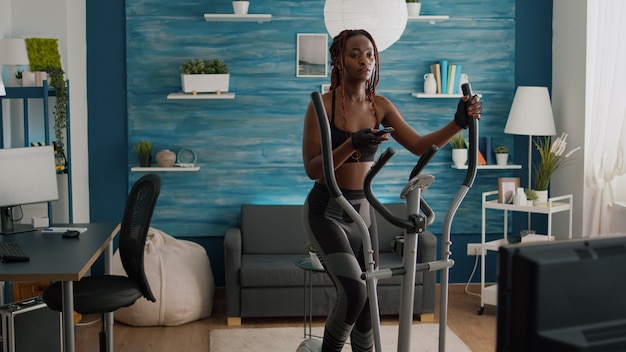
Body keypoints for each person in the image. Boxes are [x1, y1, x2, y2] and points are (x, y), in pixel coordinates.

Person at [301, 29, 481, 352]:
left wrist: (458, 123)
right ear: (340, 60)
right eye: (355, 54)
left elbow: (419, 145)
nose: (364, 60)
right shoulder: (321, 107)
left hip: (363, 211)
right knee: (354, 293)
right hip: (326, 210)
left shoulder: (379, 107)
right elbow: (314, 168)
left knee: (369, 305)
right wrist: (351, 144)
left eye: (369, 54)